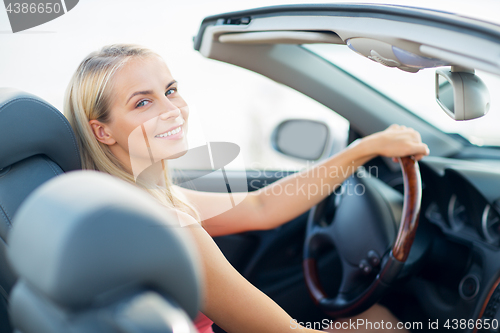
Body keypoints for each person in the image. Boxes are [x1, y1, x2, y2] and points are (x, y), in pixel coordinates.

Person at [64, 44, 429, 333]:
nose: (172, 109)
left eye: (171, 90)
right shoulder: (168, 224)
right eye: (143, 102)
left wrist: (362, 149)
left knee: (375, 318)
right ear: (103, 131)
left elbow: (260, 207)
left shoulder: (130, 196)